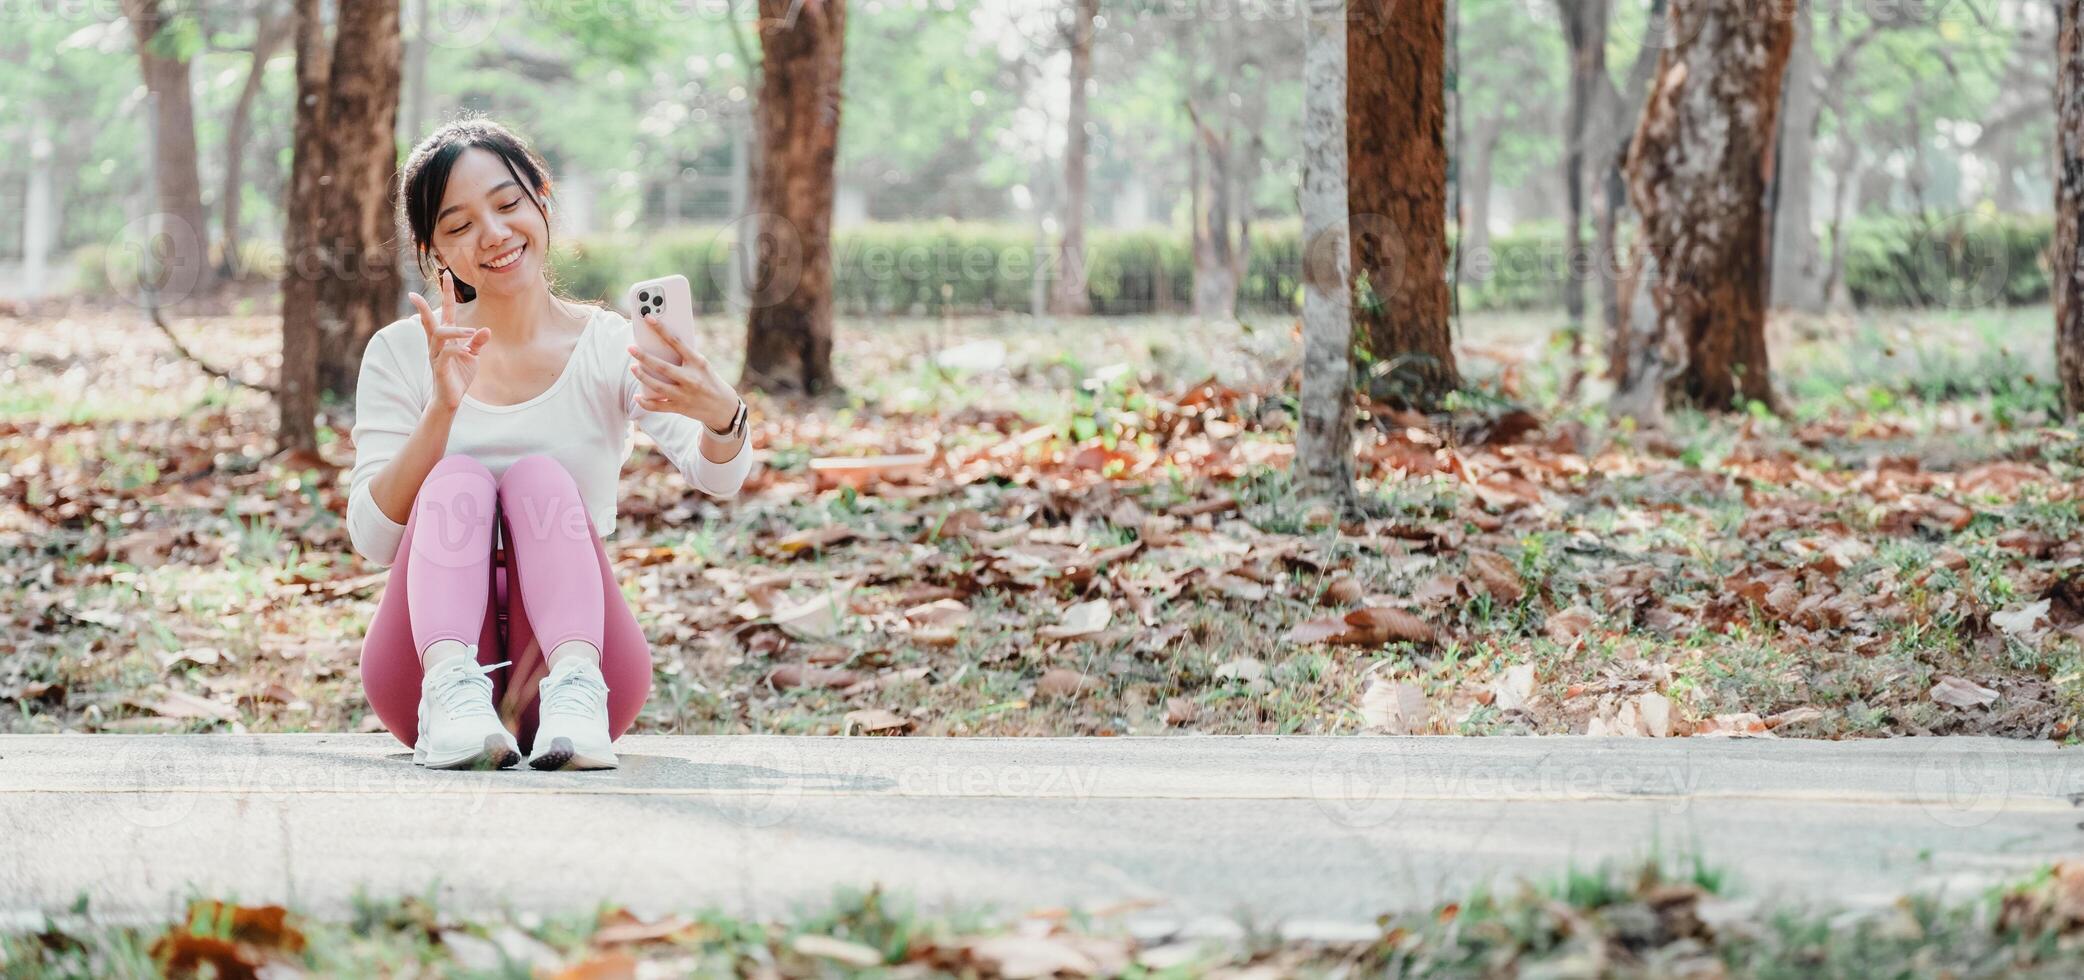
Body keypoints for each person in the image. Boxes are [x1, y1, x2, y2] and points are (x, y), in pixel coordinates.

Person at [347, 116, 752, 771]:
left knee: (539, 479)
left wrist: (721, 414)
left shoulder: (610, 347)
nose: (495, 234)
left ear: (542, 197)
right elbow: (371, 539)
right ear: (434, 251)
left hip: (583, 671)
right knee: (457, 481)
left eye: (507, 204)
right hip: (425, 674)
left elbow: (721, 478)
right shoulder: (401, 352)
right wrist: (441, 414)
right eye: (459, 225)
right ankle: (456, 698)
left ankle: (573, 695)